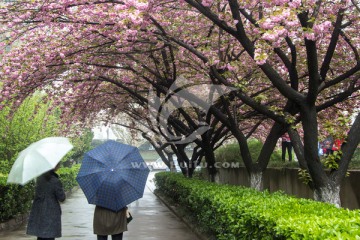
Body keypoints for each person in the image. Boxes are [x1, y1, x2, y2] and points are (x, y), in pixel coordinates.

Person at [26, 163, 66, 240]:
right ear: (54, 166)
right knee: (49, 236)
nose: (59, 166)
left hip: (39, 212)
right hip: (51, 213)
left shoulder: (40, 179)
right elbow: (62, 198)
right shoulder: (55, 181)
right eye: (58, 164)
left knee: (40, 236)